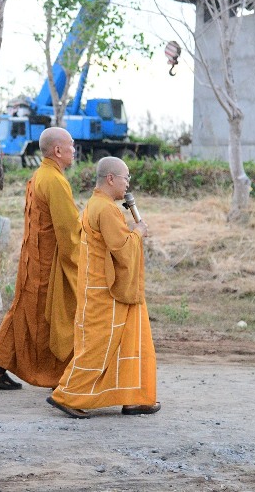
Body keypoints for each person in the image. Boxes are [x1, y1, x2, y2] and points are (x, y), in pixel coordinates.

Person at [47, 156, 159, 419]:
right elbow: (121, 249)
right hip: (107, 292)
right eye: (125, 178)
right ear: (111, 179)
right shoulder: (107, 209)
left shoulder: (96, 204)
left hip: (106, 289)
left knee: (131, 342)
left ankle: (133, 397)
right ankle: (67, 395)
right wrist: (139, 232)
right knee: (98, 347)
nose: (128, 183)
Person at [0, 126, 81, 390]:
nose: (74, 150)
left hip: (32, 259)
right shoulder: (55, 181)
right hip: (48, 264)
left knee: (22, 312)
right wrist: (85, 260)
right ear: (58, 150)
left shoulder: (40, 175)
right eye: (70, 145)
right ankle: (56, 376)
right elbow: (68, 231)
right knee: (51, 316)